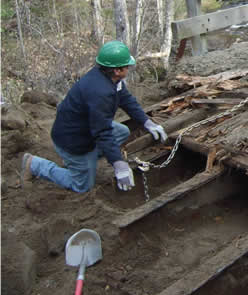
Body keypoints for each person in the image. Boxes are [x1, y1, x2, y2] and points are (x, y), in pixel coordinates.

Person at [20, 41, 168, 193]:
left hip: (84, 127)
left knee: (122, 131)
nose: (129, 68)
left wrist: (147, 122)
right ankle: (34, 164)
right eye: (126, 66)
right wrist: (119, 164)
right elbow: (102, 132)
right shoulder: (99, 93)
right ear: (117, 70)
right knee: (82, 186)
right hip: (72, 139)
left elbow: (126, 100)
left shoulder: (109, 77)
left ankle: (82, 162)